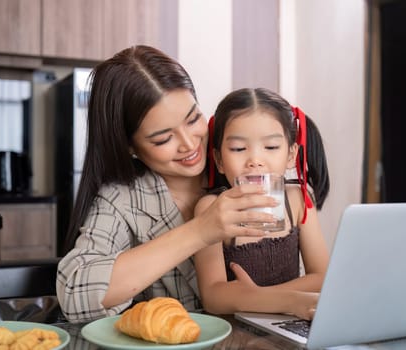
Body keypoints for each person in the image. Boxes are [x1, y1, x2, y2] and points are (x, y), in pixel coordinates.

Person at [56, 46, 280, 323]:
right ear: (130, 147)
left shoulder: (239, 163)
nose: (189, 144)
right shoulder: (122, 200)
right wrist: (200, 231)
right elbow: (75, 293)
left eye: (194, 119)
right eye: (163, 139)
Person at [194, 87, 330, 320]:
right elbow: (214, 298)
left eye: (271, 147)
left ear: (290, 154)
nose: (255, 161)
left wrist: (256, 296)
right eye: (238, 149)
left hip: (293, 321)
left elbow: (323, 277)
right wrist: (290, 299)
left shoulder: (298, 200)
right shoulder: (211, 208)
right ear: (219, 160)